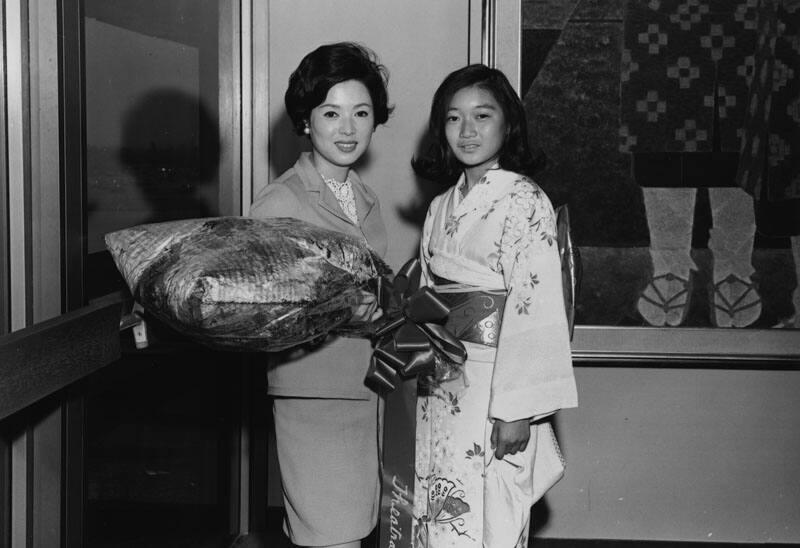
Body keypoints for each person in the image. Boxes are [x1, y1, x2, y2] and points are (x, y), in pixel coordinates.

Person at [410, 64, 578, 546]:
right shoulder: (440, 206)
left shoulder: (524, 200)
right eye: (453, 118)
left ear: (509, 124)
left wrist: (518, 410)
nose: (467, 131)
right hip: (440, 378)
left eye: (482, 116)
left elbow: (537, 307)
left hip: (495, 382)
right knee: (437, 505)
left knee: (491, 516)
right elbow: (426, 299)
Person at [249, 42, 392, 547]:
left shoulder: (365, 198)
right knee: (331, 537)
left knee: (353, 530)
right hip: (312, 392)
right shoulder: (280, 200)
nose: (348, 129)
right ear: (306, 121)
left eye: (361, 112)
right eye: (331, 113)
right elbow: (256, 305)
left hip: (367, 390)